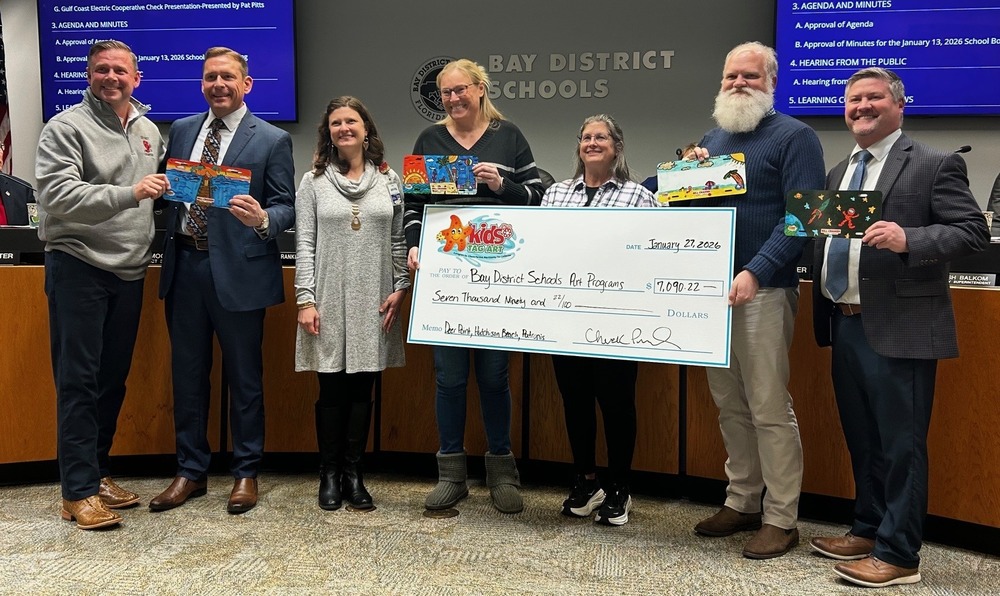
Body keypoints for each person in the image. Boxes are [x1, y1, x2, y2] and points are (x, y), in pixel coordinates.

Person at [809, 68, 989, 588]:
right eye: (853, 99)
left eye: (873, 98)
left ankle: (899, 554)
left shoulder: (934, 163)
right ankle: (867, 528)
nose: (861, 107)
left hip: (900, 326)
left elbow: (971, 230)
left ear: (899, 106)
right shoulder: (840, 169)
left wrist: (908, 238)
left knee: (901, 443)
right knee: (863, 439)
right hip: (844, 323)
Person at [682, 41, 825, 558]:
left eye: (749, 76)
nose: (738, 84)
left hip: (763, 291)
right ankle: (742, 499)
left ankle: (782, 518)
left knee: (768, 407)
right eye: (730, 77)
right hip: (710, 295)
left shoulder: (797, 136)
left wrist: (756, 271)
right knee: (729, 405)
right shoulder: (712, 137)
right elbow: (686, 209)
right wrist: (683, 177)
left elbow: (803, 219)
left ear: (771, 82)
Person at [150, 47, 295, 514]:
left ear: (246, 84)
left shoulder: (271, 139)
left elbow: (286, 207)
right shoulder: (184, 131)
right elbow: (168, 192)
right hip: (186, 266)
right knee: (187, 376)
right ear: (202, 83)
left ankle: (246, 472)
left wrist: (260, 218)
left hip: (239, 272)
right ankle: (190, 471)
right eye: (210, 77)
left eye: (227, 77)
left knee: (244, 378)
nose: (218, 85)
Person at [35, 40, 168, 529]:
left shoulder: (150, 130)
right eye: (101, 70)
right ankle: (76, 491)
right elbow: (57, 194)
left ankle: (98, 472)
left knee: (111, 380)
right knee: (78, 381)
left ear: (137, 78)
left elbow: (163, 192)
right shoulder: (66, 127)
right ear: (89, 75)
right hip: (79, 266)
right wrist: (130, 193)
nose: (111, 77)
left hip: (129, 270)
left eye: (120, 71)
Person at [403, 58, 544, 514]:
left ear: (481, 89)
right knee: (448, 377)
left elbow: (539, 199)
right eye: (446, 93)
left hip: (494, 277)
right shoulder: (430, 140)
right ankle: (452, 475)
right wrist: (412, 245)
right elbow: (413, 204)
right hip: (443, 276)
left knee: (494, 376)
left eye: (461, 89)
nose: (453, 98)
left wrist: (502, 185)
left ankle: (502, 473)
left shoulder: (510, 135)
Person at [294, 96, 409, 511]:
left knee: (363, 386)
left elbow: (398, 239)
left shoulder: (389, 179)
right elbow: (304, 243)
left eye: (352, 121)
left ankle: (353, 474)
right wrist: (305, 300)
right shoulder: (313, 181)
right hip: (326, 294)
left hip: (375, 297)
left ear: (366, 129)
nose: (344, 128)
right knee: (332, 387)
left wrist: (401, 286)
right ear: (328, 132)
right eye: (336, 122)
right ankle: (328, 473)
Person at [541, 114, 656, 526]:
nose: (592, 142)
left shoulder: (638, 196)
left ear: (616, 147)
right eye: (586, 136)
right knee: (575, 403)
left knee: (617, 404)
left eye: (601, 137)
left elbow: (654, 252)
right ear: (579, 146)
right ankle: (587, 480)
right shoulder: (554, 194)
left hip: (617, 322)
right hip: (566, 319)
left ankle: (620, 487)